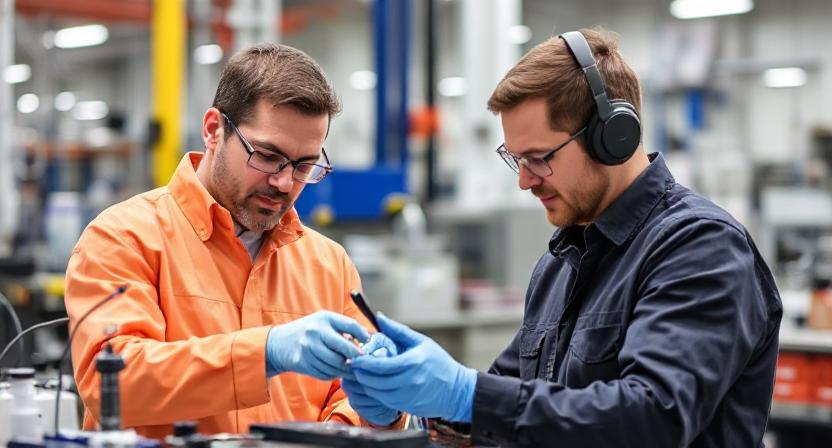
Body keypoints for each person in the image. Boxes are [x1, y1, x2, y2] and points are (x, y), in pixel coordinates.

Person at [348, 28, 783, 447]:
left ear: (612, 137)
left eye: (538, 158)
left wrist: (467, 393)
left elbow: (653, 419)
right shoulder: (563, 259)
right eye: (515, 159)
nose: (524, 181)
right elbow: (512, 405)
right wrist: (413, 403)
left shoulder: (700, 247)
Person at [64, 43, 405, 438]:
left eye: (304, 165)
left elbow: (349, 398)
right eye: (266, 155)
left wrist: (381, 411)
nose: (283, 182)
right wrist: (263, 353)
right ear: (213, 130)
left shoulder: (329, 263)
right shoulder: (123, 237)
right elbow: (113, 385)